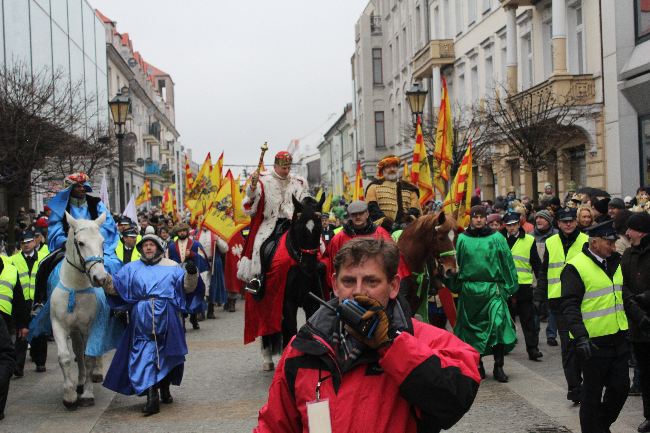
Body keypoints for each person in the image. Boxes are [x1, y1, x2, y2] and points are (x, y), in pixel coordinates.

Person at [253, 238, 480, 433]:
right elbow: (274, 425)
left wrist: (392, 344)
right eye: (349, 281)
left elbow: (455, 400)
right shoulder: (302, 347)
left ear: (393, 286)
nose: (359, 291)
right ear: (334, 285)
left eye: (371, 281)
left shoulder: (426, 339)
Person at [101, 233, 198, 416]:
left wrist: (192, 274)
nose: (148, 247)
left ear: (159, 248)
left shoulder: (172, 267)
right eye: (144, 245)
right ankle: (151, 396)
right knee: (144, 353)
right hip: (141, 319)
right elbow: (117, 287)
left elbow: (187, 288)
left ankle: (165, 386)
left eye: (151, 245)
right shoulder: (131, 269)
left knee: (166, 352)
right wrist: (104, 279)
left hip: (167, 316)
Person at [559, 220, 630, 433]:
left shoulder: (617, 262)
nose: (613, 246)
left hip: (618, 338)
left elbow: (623, 295)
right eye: (608, 243)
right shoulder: (575, 267)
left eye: (614, 242)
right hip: (592, 342)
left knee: (621, 388)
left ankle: (600, 425)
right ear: (595, 242)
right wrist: (580, 337)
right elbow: (569, 306)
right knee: (591, 394)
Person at [450, 205, 518, 382]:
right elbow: (457, 265)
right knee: (471, 332)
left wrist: (510, 286)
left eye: (481, 217)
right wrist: (453, 283)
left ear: (486, 218)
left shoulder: (497, 238)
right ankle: (478, 365)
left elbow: (507, 262)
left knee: (498, 326)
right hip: (470, 292)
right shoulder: (462, 239)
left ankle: (499, 366)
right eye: (475, 217)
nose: (478, 220)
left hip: (492, 290)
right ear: (471, 219)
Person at [536, 207, 589, 404]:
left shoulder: (586, 240)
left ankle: (588, 384)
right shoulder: (550, 242)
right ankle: (575, 388)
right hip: (558, 302)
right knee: (567, 347)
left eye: (571, 221)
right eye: (564, 221)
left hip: (583, 300)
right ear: (557, 223)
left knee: (583, 343)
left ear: (576, 222)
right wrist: (538, 297)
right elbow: (544, 270)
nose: (568, 224)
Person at [238, 151, 309, 284]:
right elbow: (251, 199)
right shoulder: (263, 180)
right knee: (258, 246)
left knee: (316, 244)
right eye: (284, 168)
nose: (286, 171)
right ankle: (257, 278)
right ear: (276, 166)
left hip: (293, 222)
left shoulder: (299, 182)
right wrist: (252, 187)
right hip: (270, 223)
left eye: (288, 167)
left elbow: (304, 199)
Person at [46, 172, 120, 275]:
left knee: (113, 265)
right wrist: (65, 242)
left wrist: (93, 240)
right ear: (70, 189)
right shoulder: (60, 208)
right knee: (45, 266)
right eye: (78, 186)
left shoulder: (96, 203)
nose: (82, 189)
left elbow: (108, 225)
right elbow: (55, 229)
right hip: (68, 249)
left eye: (83, 186)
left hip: (96, 248)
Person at [621, 212, 650, 432]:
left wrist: (644, 298)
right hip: (638, 325)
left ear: (641, 231)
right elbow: (623, 286)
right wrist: (636, 310)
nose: (627, 233)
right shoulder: (628, 254)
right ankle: (649, 415)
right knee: (645, 373)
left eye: (631, 229)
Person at [501, 212, 543, 361]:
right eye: (508, 225)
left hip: (523, 285)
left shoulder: (529, 240)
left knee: (528, 320)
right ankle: (504, 347)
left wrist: (541, 283)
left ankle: (533, 349)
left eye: (514, 225)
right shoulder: (499, 240)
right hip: (504, 286)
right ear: (504, 226)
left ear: (519, 224)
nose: (511, 228)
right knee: (504, 320)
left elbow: (536, 263)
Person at [325, 200, 392, 289]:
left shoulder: (382, 234)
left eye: (361, 213)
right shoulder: (338, 239)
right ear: (350, 216)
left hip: (375, 286)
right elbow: (331, 265)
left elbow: (392, 261)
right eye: (354, 214)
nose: (358, 217)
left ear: (367, 214)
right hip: (348, 287)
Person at [10, 231, 47, 375]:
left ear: (35, 242)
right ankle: (18, 367)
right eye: (23, 243)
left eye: (29, 242)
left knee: (40, 332)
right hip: (21, 301)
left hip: (39, 300)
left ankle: (40, 362)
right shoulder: (14, 259)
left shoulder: (43, 258)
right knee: (21, 333)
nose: (26, 245)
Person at [0, 252, 27, 420]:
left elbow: (18, 297)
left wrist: (23, 323)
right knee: (5, 358)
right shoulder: (9, 266)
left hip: (6, 319)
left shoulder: (10, 267)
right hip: (3, 319)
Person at [167, 223, 208, 330]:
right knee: (180, 296)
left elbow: (203, 258)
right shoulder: (171, 246)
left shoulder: (195, 244)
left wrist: (192, 255)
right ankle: (182, 321)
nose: (182, 233)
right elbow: (167, 261)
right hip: (178, 276)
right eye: (180, 231)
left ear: (187, 232)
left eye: (184, 231)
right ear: (177, 233)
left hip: (192, 274)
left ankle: (194, 318)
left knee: (193, 295)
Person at [365, 155, 421, 231]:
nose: (392, 169)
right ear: (383, 170)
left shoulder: (410, 188)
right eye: (388, 167)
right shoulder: (373, 187)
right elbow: (372, 209)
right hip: (382, 230)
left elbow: (415, 209)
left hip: (407, 229)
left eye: (394, 167)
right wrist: (387, 223)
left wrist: (407, 221)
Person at [532, 210, 559, 346]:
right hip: (535, 278)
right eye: (537, 218)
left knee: (552, 308)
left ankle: (551, 335)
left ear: (549, 221)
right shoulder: (530, 237)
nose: (538, 221)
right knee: (535, 307)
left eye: (542, 218)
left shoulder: (557, 236)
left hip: (553, 278)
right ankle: (534, 333)